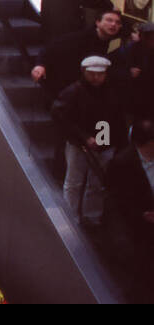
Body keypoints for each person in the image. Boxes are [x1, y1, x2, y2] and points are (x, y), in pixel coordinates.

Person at [52, 56, 126, 226]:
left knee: (97, 182)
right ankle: (71, 218)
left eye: (99, 74)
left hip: (104, 139)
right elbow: (61, 116)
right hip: (78, 142)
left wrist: (103, 141)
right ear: (84, 72)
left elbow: (114, 118)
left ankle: (92, 216)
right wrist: (85, 137)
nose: (95, 78)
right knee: (74, 182)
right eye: (91, 74)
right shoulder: (73, 92)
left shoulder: (111, 91)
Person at [32, 10, 124, 103]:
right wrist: (40, 65)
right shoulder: (79, 38)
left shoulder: (112, 41)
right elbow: (50, 48)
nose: (113, 24)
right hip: (66, 83)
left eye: (117, 23)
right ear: (98, 23)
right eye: (109, 20)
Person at [106, 119, 154, 257]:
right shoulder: (122, 164)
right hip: (138, 223)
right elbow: (117, 201)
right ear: (146, 144)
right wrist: (142, 214)